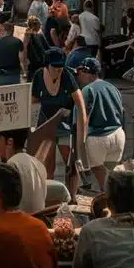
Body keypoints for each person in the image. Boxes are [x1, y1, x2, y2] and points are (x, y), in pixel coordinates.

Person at [31, 47, 87, 186]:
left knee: (70, 159)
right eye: (55, 67)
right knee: (48, 162)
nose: (58, 70)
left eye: (60, 67)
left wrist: (82, 137)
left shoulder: (68, 76)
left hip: (65, 123)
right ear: (47, 65)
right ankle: (50, 190)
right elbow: (34, 102)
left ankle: (73, 194)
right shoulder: (38, 76)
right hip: (46, 123)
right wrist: (33, 128)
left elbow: (81, 106)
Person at [75, 58, 126, 191]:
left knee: (102, 177)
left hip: (98, 138)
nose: (79, 76)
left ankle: (111, 201)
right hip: (118, 134)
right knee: (111, 174)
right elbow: (122, 112)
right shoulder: (113, 87)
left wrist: (80, 149)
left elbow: (82, 121)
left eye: (80, 73)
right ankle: (116, 199)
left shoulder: (87, 90)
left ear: (88, 72)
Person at [0, 128, 46, 214]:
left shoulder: (11, 165)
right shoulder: (38, 163)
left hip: (19, 223)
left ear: (9, 142)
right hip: (37, 220)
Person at [0, 16, 26, 86]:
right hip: (14, 75)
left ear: (3, 30)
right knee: (13, 95)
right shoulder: (18, 42)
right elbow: (22, 60)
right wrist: (24, 72)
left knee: (0, 95)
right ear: (13, 30)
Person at [23, 16, 50, 81]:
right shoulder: (39, 36)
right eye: (40, 25)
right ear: (36, 25)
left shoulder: (26, 36)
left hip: (32, 64)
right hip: (40, 63)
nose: (40, 26)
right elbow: (47, 48)